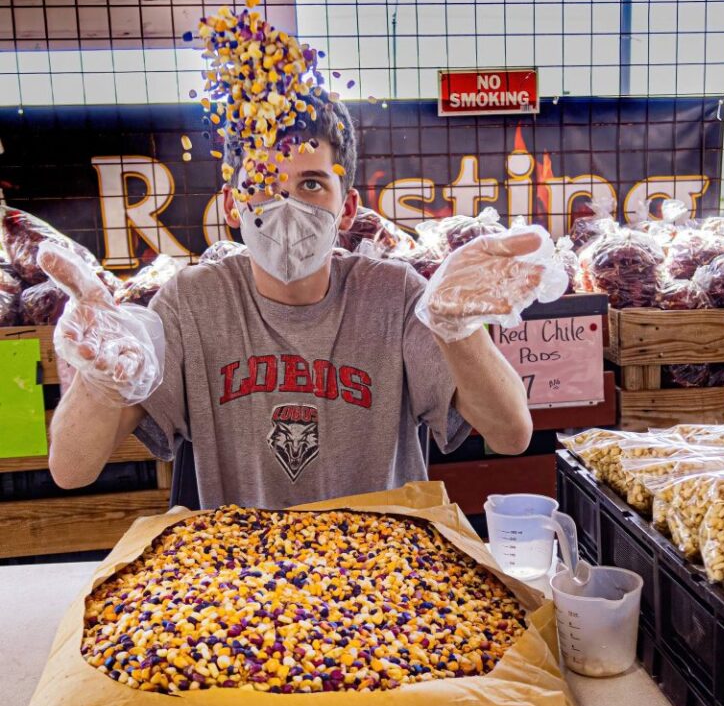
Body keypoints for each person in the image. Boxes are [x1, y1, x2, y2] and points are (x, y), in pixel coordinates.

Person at [44, 92, 543, 509]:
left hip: (382, 576)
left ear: (346, 207)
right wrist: (100, 381)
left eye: (310, 184)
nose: (284, 207)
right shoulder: (192, 303)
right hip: (244, 588)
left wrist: (459, 332)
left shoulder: (395, 294)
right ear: (232, 205)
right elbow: (71, 469)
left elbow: (511, 434)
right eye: (261, 187)